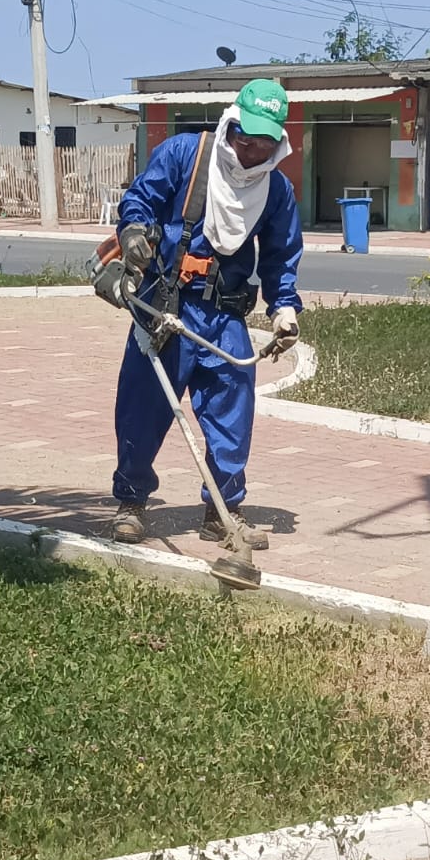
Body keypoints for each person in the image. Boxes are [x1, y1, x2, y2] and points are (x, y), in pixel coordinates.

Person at [110, 77, 303, 547]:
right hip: (164, 306)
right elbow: (141, 200)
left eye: (263, 145)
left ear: (277, 142)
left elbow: (281, 257)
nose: (250, 152)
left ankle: (222, 511)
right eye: (244, 139)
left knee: (231, 416)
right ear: (231, 124)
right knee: (142, 409)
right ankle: (131, 502)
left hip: (224, 317)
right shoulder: (186, 155)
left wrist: (284, 309)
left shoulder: (275, 191)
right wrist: (134, 232)